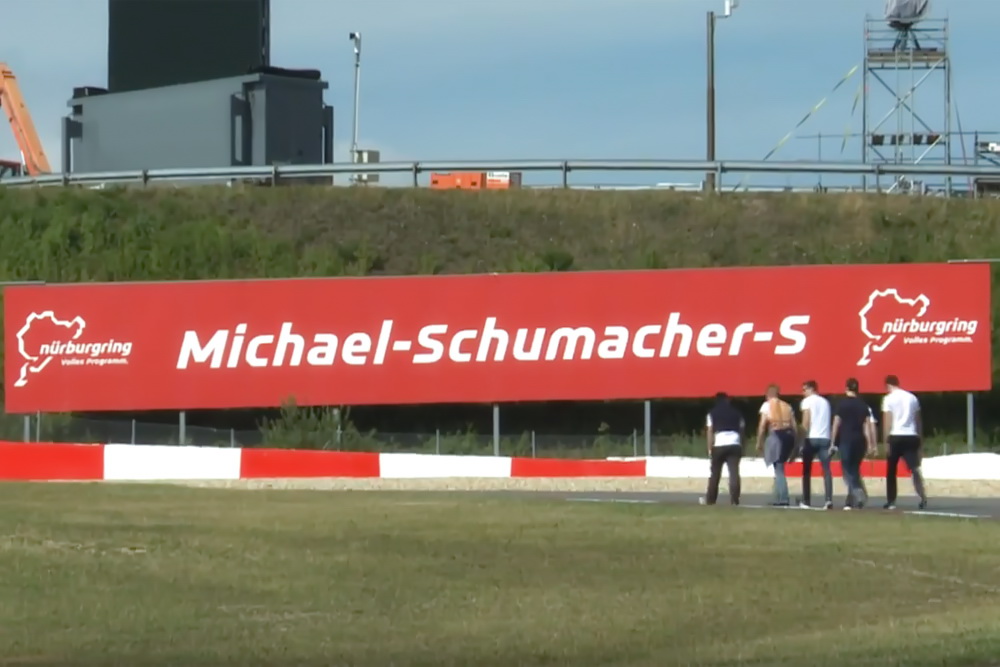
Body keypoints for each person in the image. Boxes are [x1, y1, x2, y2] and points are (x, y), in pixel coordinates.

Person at [881, 375, 929, 510]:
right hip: (911, 435)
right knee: (914, 469)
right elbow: (918, 420)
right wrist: (920, 439)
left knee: (891, 470)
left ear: (888, 386)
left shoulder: (888, 399)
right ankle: (922, 496)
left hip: (896, 435)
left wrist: (886, 441)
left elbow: (887, 421)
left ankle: (891, 501)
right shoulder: (912, 398)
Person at [830, 377, 877, 510]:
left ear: (846, 389)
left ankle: (859, 493)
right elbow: (867, 426)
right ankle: (851, 501)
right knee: (854, 470)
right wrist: (870, 444)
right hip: (859, 440)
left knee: (847, 471)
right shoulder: (863, 405)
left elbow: (836, 424)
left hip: (846, 440)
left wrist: (833, 442)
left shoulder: (841, 404)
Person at [756, 384, 797, 507]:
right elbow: (794, 426)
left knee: (778, 468)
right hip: (789, 435)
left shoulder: (767, 405)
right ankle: (778, 496)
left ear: (768, 395)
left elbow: (763, 425)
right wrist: (795, 445)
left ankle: (783, 498)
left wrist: (759, 441)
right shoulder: (787, 406)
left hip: (776, 435)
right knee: (779, 466)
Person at [797, 380, 833, 510]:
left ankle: (806, 500)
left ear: (811, 389)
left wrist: (801, 441)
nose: (803, 393)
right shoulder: (825, 402)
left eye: (804, 389)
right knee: (826, 470)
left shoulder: (807, 402)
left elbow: (806, 421)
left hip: (811, 438)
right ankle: (828, 499)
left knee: (807, 470)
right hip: (824, 437)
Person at [704, 392, 745, 505]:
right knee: (734, 473)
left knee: (715, 474)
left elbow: (710, 431)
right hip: (735, 443)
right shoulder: (737, 413)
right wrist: (742, 445)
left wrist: (709, 448)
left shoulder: (712, 413)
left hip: (719, 443)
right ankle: (735, 499)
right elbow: (742, 430)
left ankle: (711, 500)